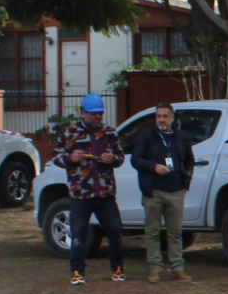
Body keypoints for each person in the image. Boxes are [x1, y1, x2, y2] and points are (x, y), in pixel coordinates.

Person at [56, 93, 127, 284]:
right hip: (80, 194)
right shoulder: (69, 133)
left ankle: (117, 268)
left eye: (100, 113)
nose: (97, 117)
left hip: (105, 193)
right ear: (83, 112)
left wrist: (113, 159)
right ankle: (77, 272)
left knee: (115, 230)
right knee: (78, 233)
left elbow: (121, 157)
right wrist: (70, 159)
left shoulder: (110, 133)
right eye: (93, 113)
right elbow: (56, 157)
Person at [129, 103, 197, 282]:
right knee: (153, 231)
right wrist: (154, 167)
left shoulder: (182, 137)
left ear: (172, 118)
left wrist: (186, 182)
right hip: (153, 190)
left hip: (176, 190)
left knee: (175, 232)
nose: (161, 119)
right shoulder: (146, 136)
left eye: (165, 116)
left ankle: (178, 267)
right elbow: (135, 160)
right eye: (158, 116)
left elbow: (190, 160)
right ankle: (155, 268)